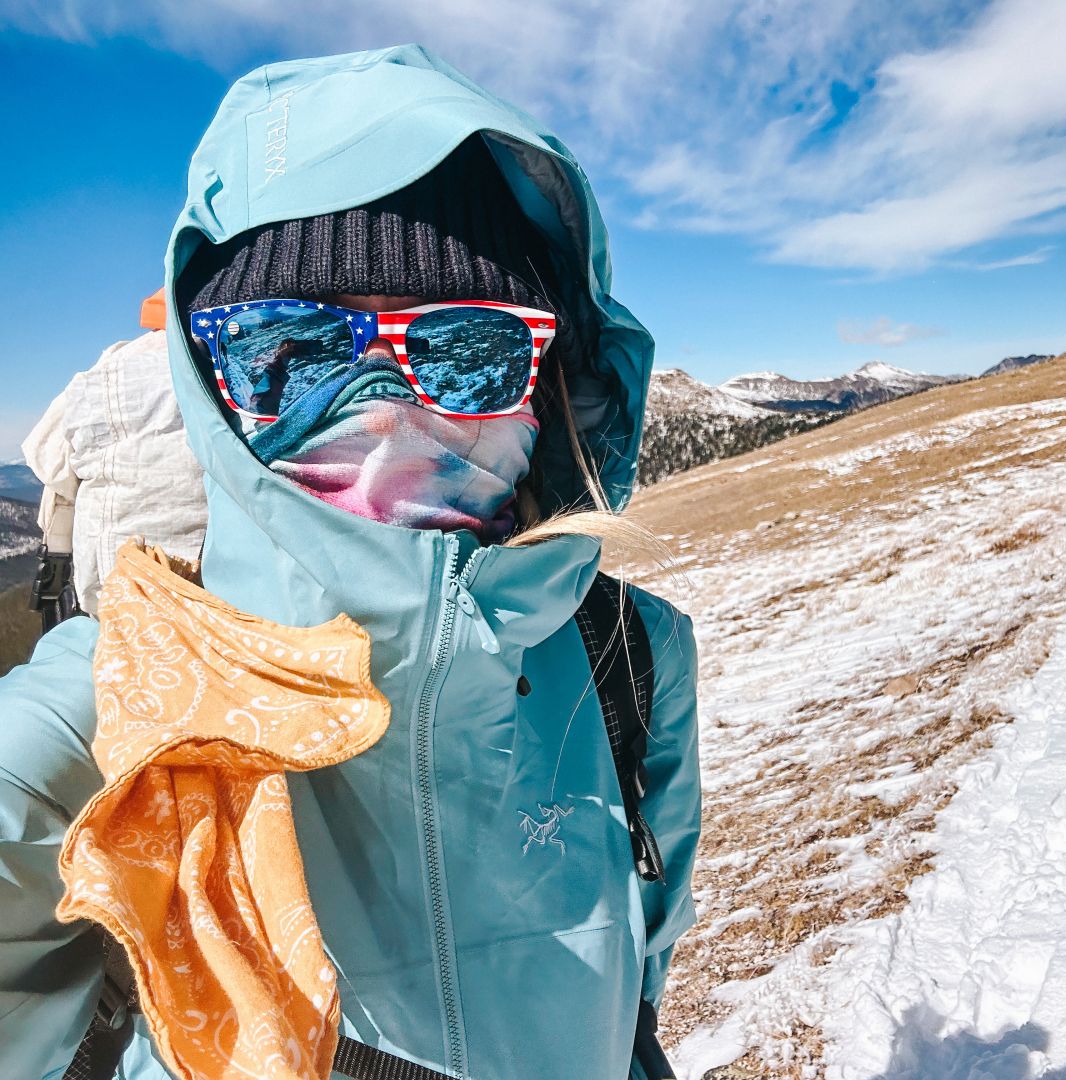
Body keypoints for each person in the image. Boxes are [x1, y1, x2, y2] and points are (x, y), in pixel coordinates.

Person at [0, 45, 700, 1080]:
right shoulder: (106, 714)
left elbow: (640, 976)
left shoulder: (630, 660)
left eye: (469, 350)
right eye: (290, 352)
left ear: (547, 386)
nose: (379, 415)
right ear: (211, 381)